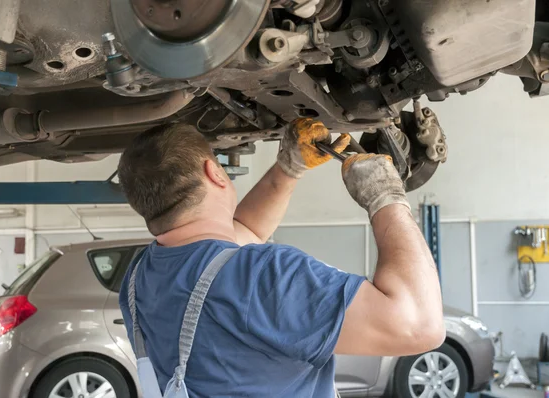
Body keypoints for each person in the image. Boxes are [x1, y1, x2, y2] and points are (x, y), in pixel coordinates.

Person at [117, 118, 445, 398]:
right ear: (214, 172)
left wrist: (289, 167)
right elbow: (418, 325)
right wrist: (385, 197)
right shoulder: (265, 275)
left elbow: (242, 230)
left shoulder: (139, 279)